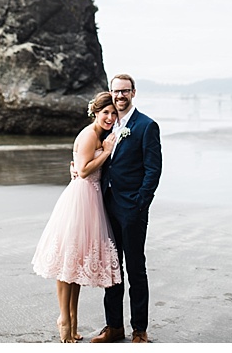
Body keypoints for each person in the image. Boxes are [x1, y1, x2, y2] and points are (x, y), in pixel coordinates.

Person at [32, 91, 122, 343]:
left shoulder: (99, 135)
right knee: (67, 262)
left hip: (91, 200)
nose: (110, 117)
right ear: (96, 111)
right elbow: (82, 171)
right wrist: (106, 152)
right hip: (79, 200)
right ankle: (64, 320)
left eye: (113, 113)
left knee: (77, 266)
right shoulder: (89, 135)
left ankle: (73, 320)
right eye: (106, 112)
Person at [90, 73, 162, 344]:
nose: (120, 96)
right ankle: (114, 327)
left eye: (125, 91)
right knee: (111, 267)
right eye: (116, 91)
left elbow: (153, 170)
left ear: (133, 93)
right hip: (107, 206)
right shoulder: (107, 123)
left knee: (135, 268)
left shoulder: (146, 126)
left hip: (132, 209)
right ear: (111, 92)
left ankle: (139, 330)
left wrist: (140, 203)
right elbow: (94, 154)